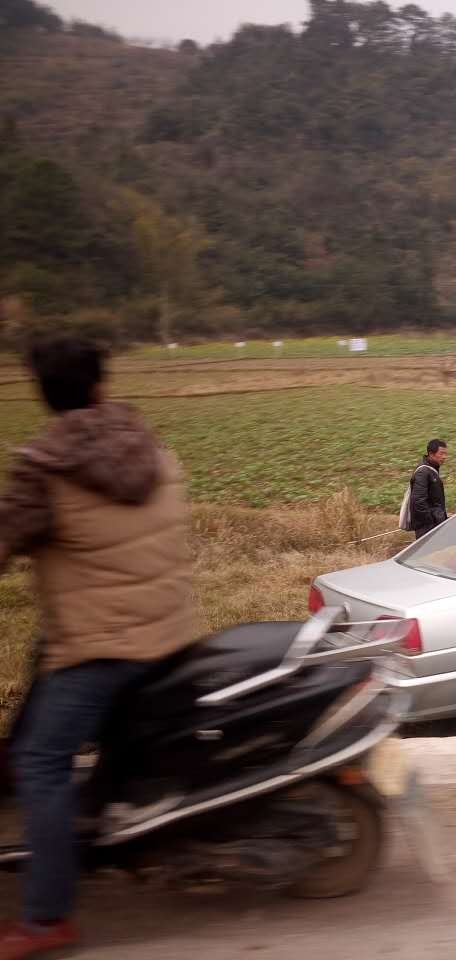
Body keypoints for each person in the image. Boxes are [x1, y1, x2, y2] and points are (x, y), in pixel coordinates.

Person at [0, 336, 199, 960]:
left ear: (46, 396)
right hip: (170, 624)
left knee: (40, 760)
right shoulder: (146, 442)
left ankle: (47, 916)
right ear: (98, 386)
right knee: (44, 656)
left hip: (107, 647)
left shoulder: (45, 469)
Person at [409, 439, 448, 540]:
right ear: (431, 453)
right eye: (441, 453)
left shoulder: (431, 470)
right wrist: (431, 521)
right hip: (427, 528)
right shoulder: (423, 473)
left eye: (446, 454)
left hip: (433, 524)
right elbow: (418, 501)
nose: (444, 457)